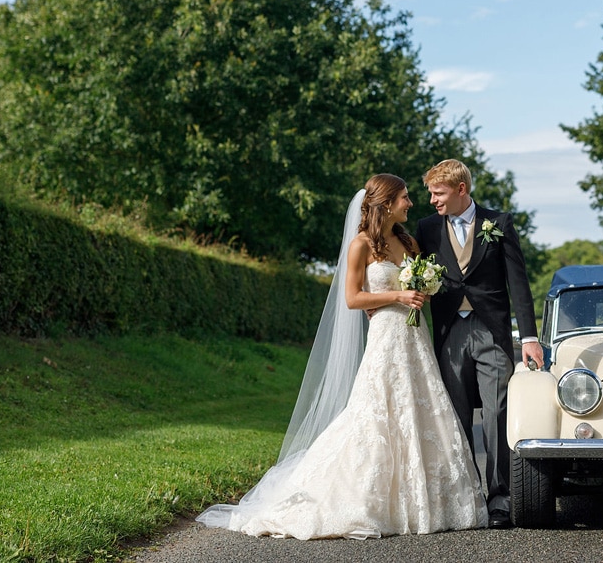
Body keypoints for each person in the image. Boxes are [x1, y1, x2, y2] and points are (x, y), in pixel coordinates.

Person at [196, 174, 487, 539]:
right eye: (404, 198)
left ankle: (425, 501)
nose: (410, 203)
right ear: (385, 203)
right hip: (385, 337)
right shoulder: (361, 246)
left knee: (421, 408)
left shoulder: (409, 242)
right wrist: (397, 297)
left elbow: (416, 288)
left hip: (415, 338)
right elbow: (353, 299)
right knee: (374, 412)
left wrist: (420, 291)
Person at [415, 159, 544, 529]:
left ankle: (500, 499)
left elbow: (518, 282)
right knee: (455, 416)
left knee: (497, 412)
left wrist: (530, 338)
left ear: (460, 190)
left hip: (492, 331)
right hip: (449, 334)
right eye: (429, 194)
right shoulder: (426, 229)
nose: (432, 201)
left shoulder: (499, 223)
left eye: (438, 193)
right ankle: (469, 495)